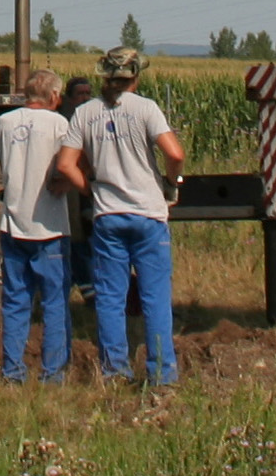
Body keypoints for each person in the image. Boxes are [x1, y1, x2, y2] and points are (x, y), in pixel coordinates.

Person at [56, 46, 185, 386]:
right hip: (148, 214)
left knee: (110, 298)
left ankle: (114, 371)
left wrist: (91, 190)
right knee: (154, 297)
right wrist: (169, 183)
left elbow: (66, 165)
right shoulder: (146, 109)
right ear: (135, 77)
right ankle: (161, 373)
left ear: (103, 77)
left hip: (108, 215)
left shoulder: (85, 113)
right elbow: (175, 153)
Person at [0, 68, 78, 383]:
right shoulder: (60, 125)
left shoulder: (4, 122)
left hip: (12, 223)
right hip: (50, 226)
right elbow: (67, 167)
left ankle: (12, 369)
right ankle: (53, 371)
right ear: (55, 96)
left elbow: (2, 164)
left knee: (16, 300)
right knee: (55, 301)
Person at [58, 77, 95, 301]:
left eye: (88, 93)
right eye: (80, 93)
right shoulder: (64, 121)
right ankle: (85, 286)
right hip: (73, 188)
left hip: (89, 185)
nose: (85, 98)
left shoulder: (93, 118)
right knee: (76, 237)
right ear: (69, 98)